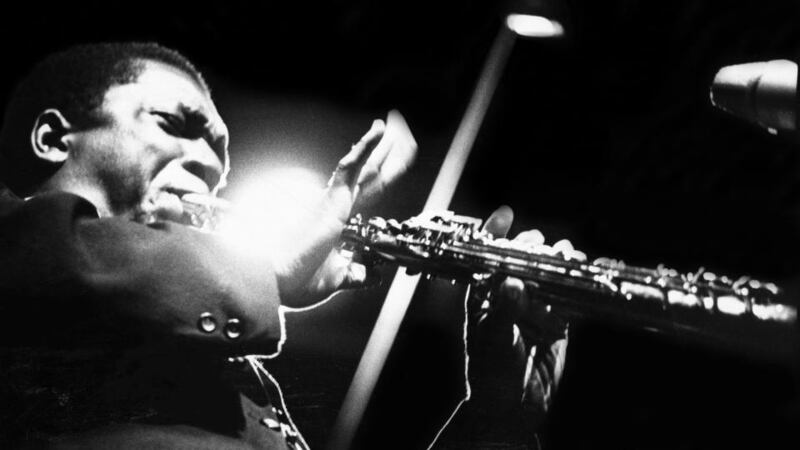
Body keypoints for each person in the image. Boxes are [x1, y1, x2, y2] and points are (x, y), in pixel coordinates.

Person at [0, 42, 575, 449]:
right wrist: (268, 269)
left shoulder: (229, 380)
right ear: (53, 139)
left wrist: (498, 415)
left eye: (221, 157)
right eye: (175, 124)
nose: (207, 164)